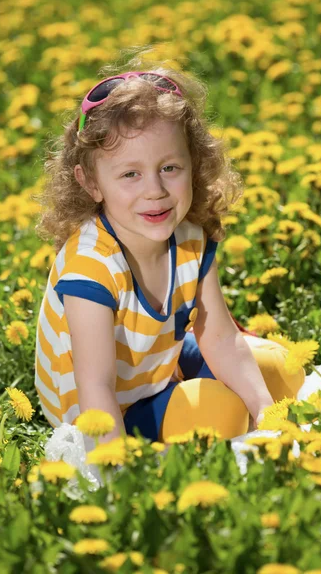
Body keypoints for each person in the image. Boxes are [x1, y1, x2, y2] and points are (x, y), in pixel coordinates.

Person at [33, 62, 305, 451]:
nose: (155, 190)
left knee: (282, 368)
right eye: (131, 174)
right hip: (104, 407)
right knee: (222, 412)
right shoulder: (89, 269)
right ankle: (182, 409)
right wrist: (113, 473)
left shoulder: (190, 237)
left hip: (157, 363)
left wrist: (268, 420)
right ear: (91, 183)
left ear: (193, 164)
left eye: (170, 167)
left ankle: (195, 395)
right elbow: (95, 385)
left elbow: (223, 340)